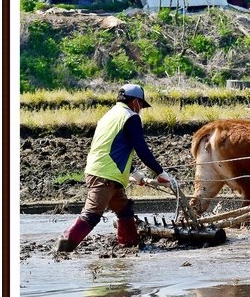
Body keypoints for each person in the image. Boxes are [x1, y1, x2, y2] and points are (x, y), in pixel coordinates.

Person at [53, 83, 172, 252]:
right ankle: (61, 248)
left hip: (104, 172)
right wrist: (160, 172)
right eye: (141, 105)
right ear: (135, 102)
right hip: (105, 176)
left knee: (124, 210)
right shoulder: (131, 117)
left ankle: (129, 246)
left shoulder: (110, 116)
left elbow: (114, 148)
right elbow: (141, 149)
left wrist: (135, 173)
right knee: (92, 214)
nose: (141, 110)